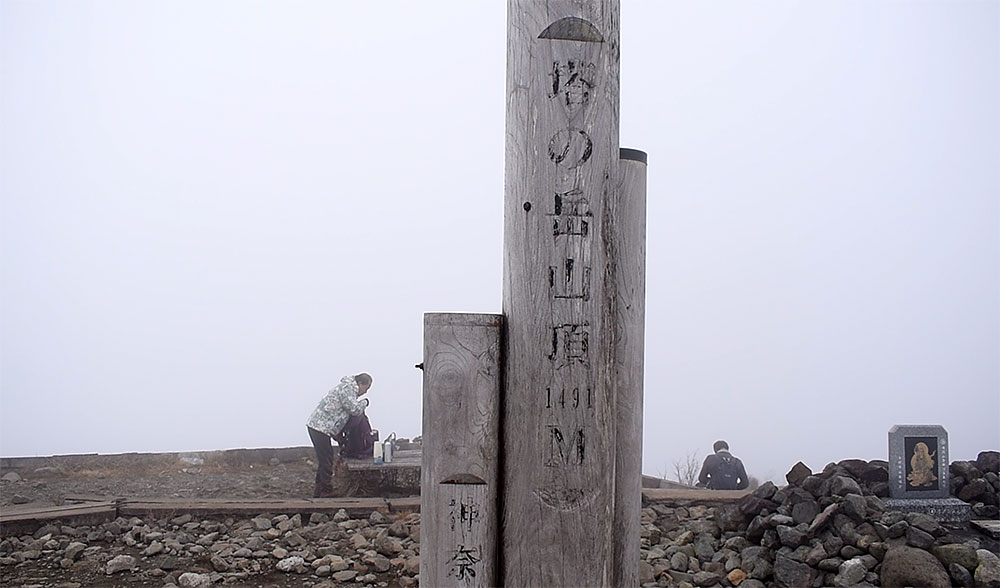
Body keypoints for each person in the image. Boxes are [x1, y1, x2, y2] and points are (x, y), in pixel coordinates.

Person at [306, 373, 372, 497]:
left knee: (324, 458)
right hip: (319, 427)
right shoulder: (347, 389)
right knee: (326, 459)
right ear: (360, 383)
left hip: (319, 427)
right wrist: (365, 402)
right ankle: (326, 490)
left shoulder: (347, 389)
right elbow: (354, 409)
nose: (365, 392)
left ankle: (320, 489)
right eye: (366, 388)